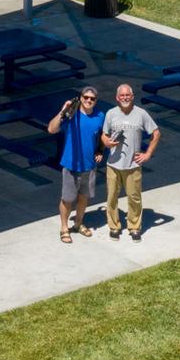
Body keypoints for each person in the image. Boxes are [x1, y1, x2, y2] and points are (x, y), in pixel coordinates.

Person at [101, 83, 161, 241]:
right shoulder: (110, 114)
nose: (125, 98)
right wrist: (106, 142)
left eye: (128, 95)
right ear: (117, 97)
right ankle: (114, 227)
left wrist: (147, 154)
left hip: (133, 165)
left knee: (134, 198)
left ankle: (134, 227)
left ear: (132, 97)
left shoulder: (141, 114)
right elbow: (104, 135)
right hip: (113, 164)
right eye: (122, 95)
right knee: (111, 197)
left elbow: (156, 133)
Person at [46, 85, 104, 244]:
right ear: (81, 98)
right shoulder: (71, 116)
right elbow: (51, 129)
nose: (89, 101)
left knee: (84, 197)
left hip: (89, 165)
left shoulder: (100, 116)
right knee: (67, 199)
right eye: (86, 98)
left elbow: (102, 136)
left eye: (92, 99)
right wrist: (62, 111)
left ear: (96, 101)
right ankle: (64, 228)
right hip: (71, 165)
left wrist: (100, 150)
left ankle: (78, 223)